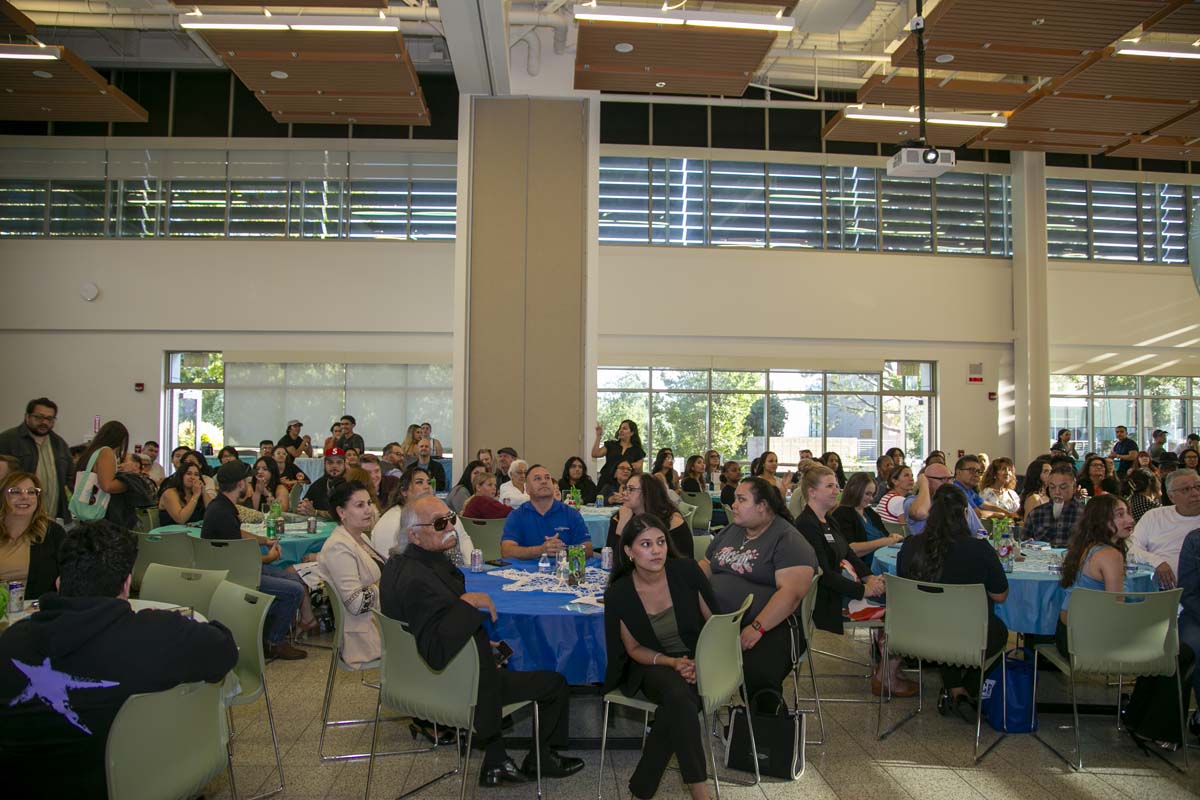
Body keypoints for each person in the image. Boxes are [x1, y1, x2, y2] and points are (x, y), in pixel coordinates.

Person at [0, 518, 238, 798]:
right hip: (138, 781)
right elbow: (224, 649)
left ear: (60, 582)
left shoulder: (11, 643)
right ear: (126, 585)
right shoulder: (158, 635)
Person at [381, 495, 584, 786]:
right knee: (555, 684)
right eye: (439, 524)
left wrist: (476, 646)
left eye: (451, 518)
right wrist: (468, 603)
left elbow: (427, 627)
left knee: (503, 659)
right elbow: (435, 650)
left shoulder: (400, 565)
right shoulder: (419, 580)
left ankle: (496, 760)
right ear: (414, 535)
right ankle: (541, 758)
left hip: (418, 676)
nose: (450, 527)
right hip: (453, 684)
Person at [604, 513, 716, 800]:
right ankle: (700, 792)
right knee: (679, 697)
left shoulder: (687, 571)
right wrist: (672, 663)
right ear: (628, 551)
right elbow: (634, 650)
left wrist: (700, 663)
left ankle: (641, 790)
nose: (656, 550)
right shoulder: (619, 593)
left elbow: (716, 624)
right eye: (645, 544)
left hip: (698, 659)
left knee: (675, 707)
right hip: (651, 664)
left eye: (661, 542)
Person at [702, 477, 816, 711]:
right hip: (716, 621)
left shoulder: (788, 539)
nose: (734, 505)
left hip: (771, 625)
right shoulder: (733, 530)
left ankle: (763, 726)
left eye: (741, 500)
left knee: (757, 674)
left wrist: (757, 627)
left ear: (762, 506)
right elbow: (706, 564)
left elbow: (791, 594)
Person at [795, 466, 910, 696]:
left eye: (836, 485)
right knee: (902, 608)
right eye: (829, 486)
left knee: (899, 595)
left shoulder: (827, 519)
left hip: (845, 589)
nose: (836, 490)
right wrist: (863, 590)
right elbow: (824, 574)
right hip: (829, 600)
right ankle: (886, 674)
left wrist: (869, 577)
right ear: (812, 492)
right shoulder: (807, 525)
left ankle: (888, 667)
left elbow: (848, 552)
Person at [896, 485, 1008, 718]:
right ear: (966, 514)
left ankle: (955, 689)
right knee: (997, 631)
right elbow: (1000, 595)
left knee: (944, 626)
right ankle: (966, 688)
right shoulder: (979, 549)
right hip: (968, 634)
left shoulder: (910, 546)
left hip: (916, 631)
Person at [201, 461, 309, 659]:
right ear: (240, 484)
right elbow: (241, 558)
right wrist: (270, 557)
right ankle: (274, 641)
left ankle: (265, 630)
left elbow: (237, 534)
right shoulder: (223, 512)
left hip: (231, 567)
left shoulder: (221, 506)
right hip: (235, 574)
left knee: (293, 579)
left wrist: (264, 540)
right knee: (295, 590)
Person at [1056, 495, 1135, 659]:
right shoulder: (1109, 554)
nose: (1130, 520)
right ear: (1101, 520)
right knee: (1174, 649)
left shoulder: (1086, 547)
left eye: (1128, 513)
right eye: (1120, 515)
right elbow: (1116, 607)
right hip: (1088, 640)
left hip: (1068, 634)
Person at [317, 481, 384, 668]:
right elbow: (357, 604)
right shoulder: (338, 547)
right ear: (341, 512)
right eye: (360, 505)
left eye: (369, 503)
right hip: (365, 634)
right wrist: (382, 586)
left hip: (377, 620)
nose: (369, 510)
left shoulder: (360, 537)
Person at [372, 466, 475, 564]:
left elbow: (463, 539)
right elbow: (390, 560)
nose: (427, 487)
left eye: (429, 482)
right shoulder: (391, 520)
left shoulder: (442, 511)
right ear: (404, 491)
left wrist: (471, 567)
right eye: (419, 482)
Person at [0, 398, 75, 520]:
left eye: (49, 419)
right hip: (16, 516)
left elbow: (70, 476)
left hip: (53, 516)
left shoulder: (59, 444)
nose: (44, 422)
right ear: (27, 417)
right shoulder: (7, 440)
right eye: (38, 417)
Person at [1127, 469, 1200, 590]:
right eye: (1186, 489)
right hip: (1158, 590)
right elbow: (1130, 547)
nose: (1195, 493)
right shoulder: (1155, 516)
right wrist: (1156, 562)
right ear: (1171, 496)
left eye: (1198, 487)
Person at [501, 465, 593, 560]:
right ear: (527, 489)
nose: (544, 481)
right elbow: (506, 551)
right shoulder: (516, 516)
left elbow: (588, 549)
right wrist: (540, 550)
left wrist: (562, 551)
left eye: (547, 478)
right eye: (537, 478)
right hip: (527, 568)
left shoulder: (571, 514)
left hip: (564, 567)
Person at [0, 471, 65, 601]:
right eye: (16, 492)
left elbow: (69, 575)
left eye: (31, 492)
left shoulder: (53, 533)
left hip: (39, 609)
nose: (25, 497)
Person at [606, 472, 692, 558]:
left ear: (647, 493)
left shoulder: (672, 521)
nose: (624, 493)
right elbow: (610, 559)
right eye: (625, 488)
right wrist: (622, 526)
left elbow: (684, 559)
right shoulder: (620, 517)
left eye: (631, 489)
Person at [832, 472, 903, 567]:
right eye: (867, 494)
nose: (871, 499)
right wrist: (884, 541)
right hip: (863, 567)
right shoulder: (842, 514)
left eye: (873, 495)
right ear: (855, 491)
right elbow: (850, 550)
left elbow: (884, 535)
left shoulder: (869, 512)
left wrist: (892, 537)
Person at [73, 421, 132, 528]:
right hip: (101, 517)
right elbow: (107, 486)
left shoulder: (90, 453)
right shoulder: (106, 452)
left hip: (86, 512)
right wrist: (129, 484)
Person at [905, 462, 986, 536]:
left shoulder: (959, 502)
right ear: (927, 481)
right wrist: (923, 484)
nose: (949, 483)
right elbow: (920, 513)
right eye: (943, 479)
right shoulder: (912, 502)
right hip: (928, 547)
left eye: (950, 479)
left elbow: (980, 532)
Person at [1023, 463, 1086, 547]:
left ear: (1074, 488)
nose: (1057, 492)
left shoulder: (1085, 514)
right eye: (1052, 487)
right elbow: (1023, 543)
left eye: (1063, 487)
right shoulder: (1036, 513)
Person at [592, 419, 646, 489]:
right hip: (605, 483)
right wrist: (598, 436)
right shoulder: (611, 445)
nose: (621, 430)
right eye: (620, 428)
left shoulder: (637, 450)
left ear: (632, 433)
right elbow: (595, 454)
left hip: (625, 485)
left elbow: (639, 473)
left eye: (625, 428)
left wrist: (637, 468)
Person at [298, 447, 347, 518]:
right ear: (324, 465)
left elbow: (346, 514)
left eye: (339, 462)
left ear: (345, 464)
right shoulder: (318, 485)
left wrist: (316, 512)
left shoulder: (351, 484)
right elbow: (304, 504)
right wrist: (304, 507)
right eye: (330, 462)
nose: (334, 466)